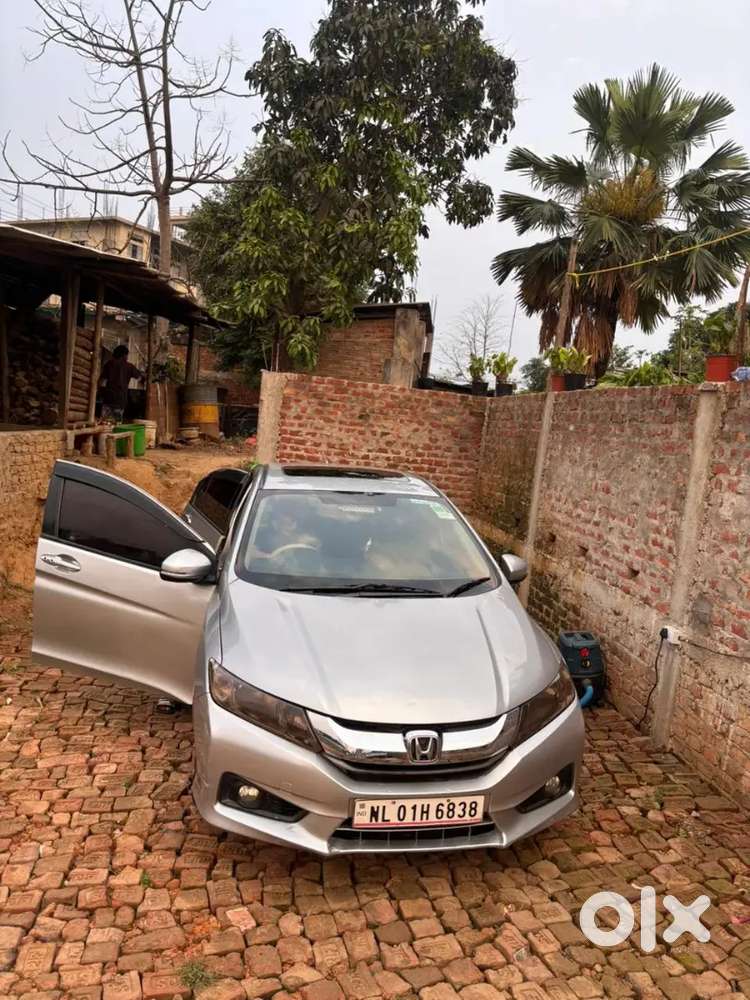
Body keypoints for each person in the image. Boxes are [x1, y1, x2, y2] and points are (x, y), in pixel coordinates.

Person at [99, 345, 144, 423]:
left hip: (108, 398)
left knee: (104, 423)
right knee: (116, 423)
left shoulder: (109, 364)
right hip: (120, 400)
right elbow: (140, 378)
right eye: (127, 355)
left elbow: (101, 381)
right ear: (124, 355)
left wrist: (100, 391)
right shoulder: (129, 367)